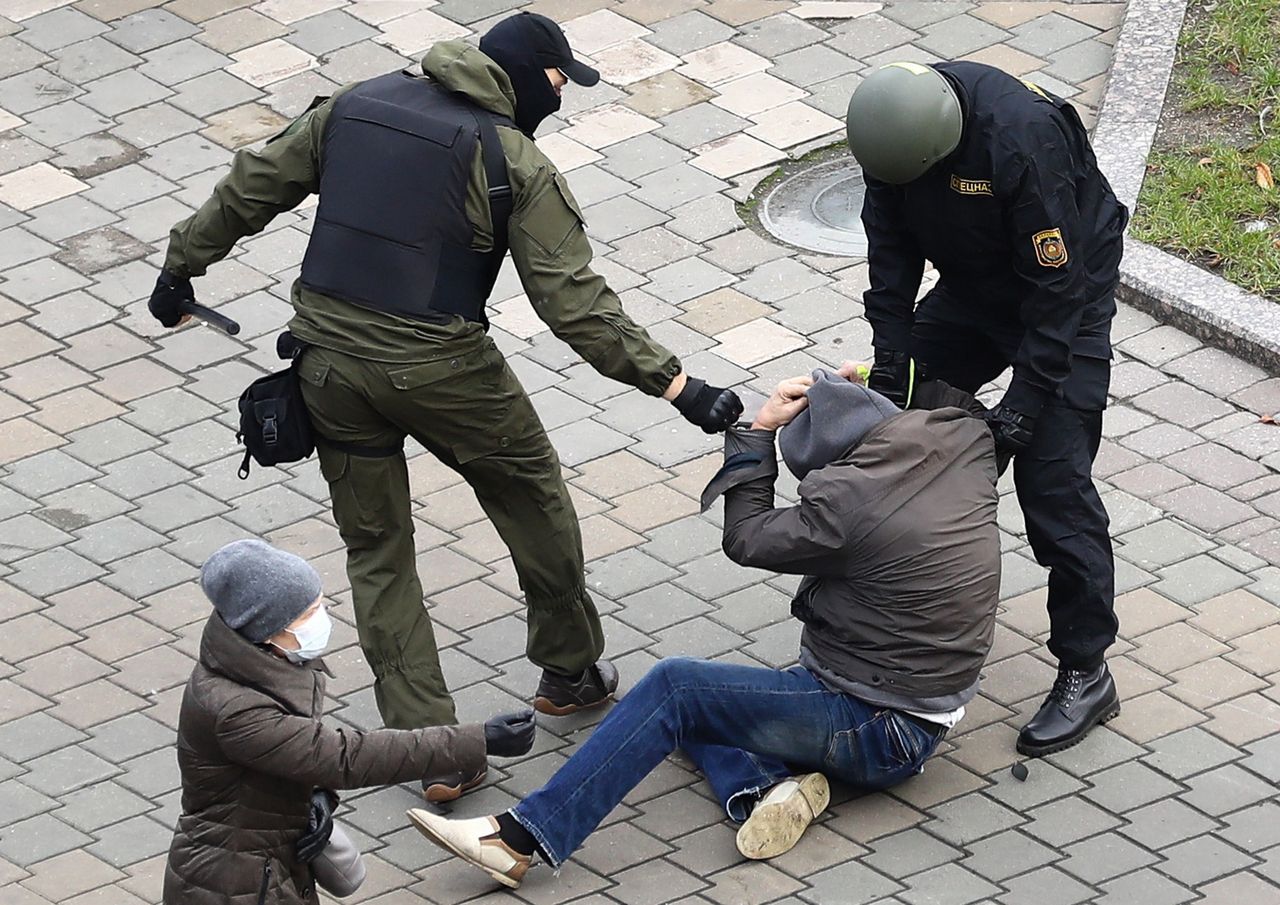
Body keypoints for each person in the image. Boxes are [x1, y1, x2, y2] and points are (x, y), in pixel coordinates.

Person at [147, 11, 743, 800]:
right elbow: (576, 307)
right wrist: (678, 386)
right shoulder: (513, 160)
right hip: (448, 373)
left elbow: (252, 185)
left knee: (378, 552)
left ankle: (430, 749)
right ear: (526, 79)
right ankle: (568, 672)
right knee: (530, 495)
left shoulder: (351, 106)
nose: (557, 101)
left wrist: (178, 268)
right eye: (558, 84)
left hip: (327, 367)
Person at [400, 367, 1001, 888]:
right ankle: (762, 790)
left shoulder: (848, 505)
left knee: (674, 690)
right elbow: (952, 397)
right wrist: (861, 386)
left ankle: (520, 840)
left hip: (878, 725)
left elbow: (746, 538)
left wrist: (757, 433)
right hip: (911, 695)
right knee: (694, 706)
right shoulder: (962, 442)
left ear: (837, 466)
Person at [844, 61, 1129, 756]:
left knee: (1053, 484)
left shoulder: (1021, 141)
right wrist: (892, 367)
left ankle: (1087, 669)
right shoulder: (889, 143)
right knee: (891, 435)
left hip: (1064, 299)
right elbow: (891, 268)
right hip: (974, 290)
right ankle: (870, 632)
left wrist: (1023, 408)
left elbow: (1058, 295)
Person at [164, 539, 537, 904]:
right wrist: (478, 741)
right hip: (231, 883)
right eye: (307, 613)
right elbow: (345, 757)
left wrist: (317, 795)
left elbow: (293, 758)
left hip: (262, 866)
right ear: (267, 629)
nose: (321, 617)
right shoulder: (238, 711)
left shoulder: (262, 666)